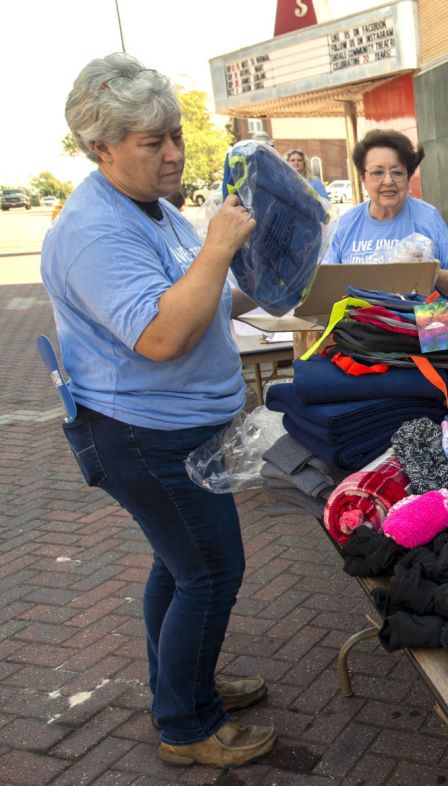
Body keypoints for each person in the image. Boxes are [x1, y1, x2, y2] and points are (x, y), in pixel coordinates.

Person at [41, 54, 275, 767]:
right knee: (210, 572)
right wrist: (218, 249)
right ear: (101, 147)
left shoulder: (152, 208)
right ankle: (186, 726)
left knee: (180, 568)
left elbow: (196, 304)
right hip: (142, 436)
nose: (174, 153)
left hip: (173, 428)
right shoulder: (93, 229)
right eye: (153, 142)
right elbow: (163, 335)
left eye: (175, 135)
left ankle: (181, 684)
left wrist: (265, 278)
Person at [324, 129, 448, 297]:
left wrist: (427, 270)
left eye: (397, 172)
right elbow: (324, 284)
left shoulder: (427, 217)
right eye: (377, 172)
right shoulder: (346, 223)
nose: (388, 181)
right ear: (363, 179)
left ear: (408, 177)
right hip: (358, 320)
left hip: (417, 320)